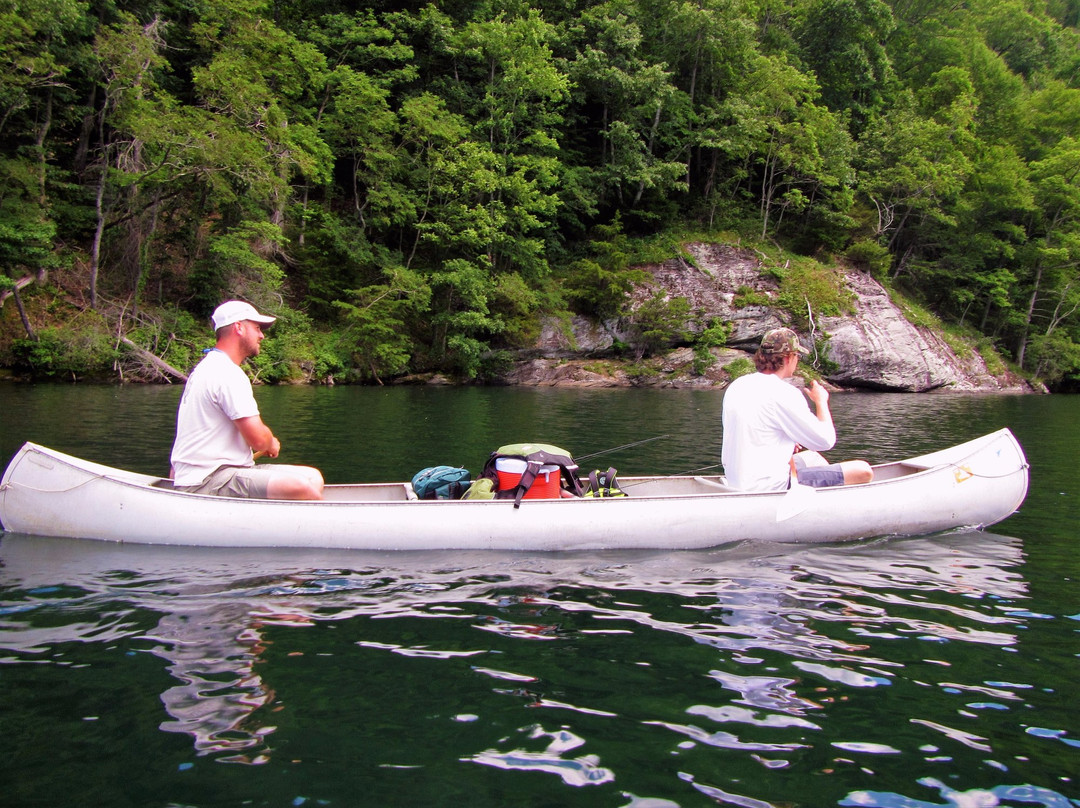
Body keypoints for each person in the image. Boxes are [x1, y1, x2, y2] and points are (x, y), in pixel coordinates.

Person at [170, 300, 324, 500]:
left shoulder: (207, 367)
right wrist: (270, 443)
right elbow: (258, 440)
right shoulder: (226, 373)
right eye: (257, 328)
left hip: (223, 472)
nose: (262, 335)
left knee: (313, 477)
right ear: (239, 327)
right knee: (300, 487)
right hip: (206, 480)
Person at [721, 327, 873, 492]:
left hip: (737, 481)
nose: (797, 360)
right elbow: (825, 441)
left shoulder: (738, 385)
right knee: (863, 471)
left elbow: (756, 430)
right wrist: (821, 402)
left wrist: (785, 440)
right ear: (788, 358)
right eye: (797, 356)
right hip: (768, 486)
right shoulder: (784, 392)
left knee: (813, 457)